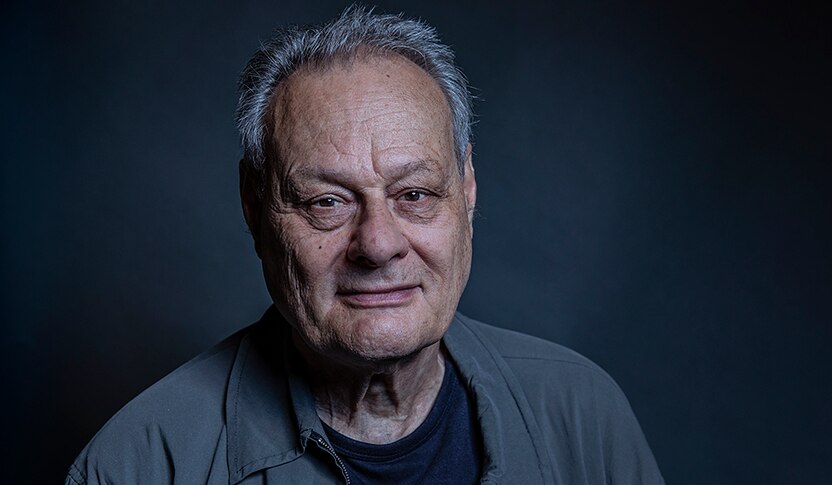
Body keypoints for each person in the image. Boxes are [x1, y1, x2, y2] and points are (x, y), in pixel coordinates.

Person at [66, 6, 664, 484]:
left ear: (469, 190)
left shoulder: (584, 416)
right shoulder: (140, 464)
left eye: (416, 194)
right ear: (253, 207)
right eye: (327, 202)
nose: (378, 245)